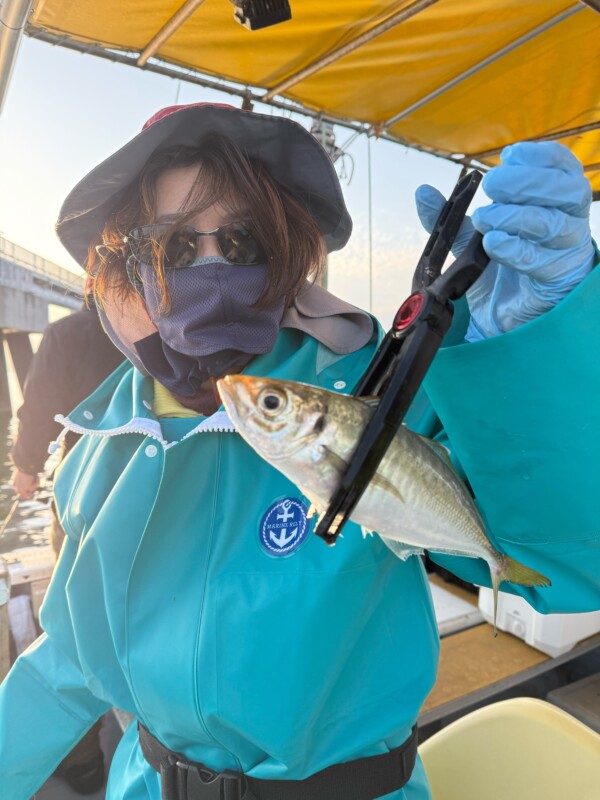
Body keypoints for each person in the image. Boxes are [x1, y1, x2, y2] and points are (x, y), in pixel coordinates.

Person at [0, 103, 598, 800]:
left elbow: (565, 566)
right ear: (123, 269)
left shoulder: (388, 392)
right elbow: (72, 658)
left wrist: (529, 359)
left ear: (286, 253)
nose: (215, 268)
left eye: (245, 241)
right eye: (175, 248)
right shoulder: (98, 450)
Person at [9, 300, 124, 793]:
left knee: (71, 623)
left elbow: (38, 405)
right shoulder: (166, 325)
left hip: (81, 488)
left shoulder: (66, 332)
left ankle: (81, 764)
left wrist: (26, 465)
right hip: (157, 484)